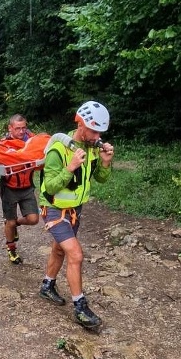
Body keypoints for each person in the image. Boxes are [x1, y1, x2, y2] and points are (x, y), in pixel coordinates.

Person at [38, 101, 114, 330]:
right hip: (53, 209)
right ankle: (80, 307)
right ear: (80, 124)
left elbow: (99, 179)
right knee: (76, 254)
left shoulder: (92, 147)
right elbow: (49, 187)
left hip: (74, 211)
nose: (97, 135)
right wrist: (69, 167)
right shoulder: (58, 149)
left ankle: (47, 286)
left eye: (100, 131)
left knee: (59, 249)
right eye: (93, 130)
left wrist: (105, 162)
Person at [0, 113, 39, 265]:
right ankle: (12, 250)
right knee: (9, 222)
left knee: (33, 219)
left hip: (27, 187)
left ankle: (15, 223)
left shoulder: (32, 141)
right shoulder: (3, 144)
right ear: (10, 128)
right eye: (18, 129)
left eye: (24, 128)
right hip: (9, 187)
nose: (21, 131)